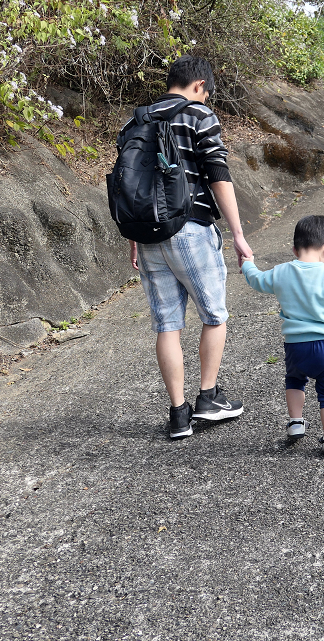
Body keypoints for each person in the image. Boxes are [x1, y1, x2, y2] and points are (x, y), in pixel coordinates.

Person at [125, 55, 253, 439]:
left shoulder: (138, 120)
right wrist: (238, 233)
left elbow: (134, 185)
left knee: (167, 325)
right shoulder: (198, 115)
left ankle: (178, 416)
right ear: (200, 85)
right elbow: (218, 172)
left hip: (149, 234)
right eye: (207, 94)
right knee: (214, 315)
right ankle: (209, 398)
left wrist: (135, 238)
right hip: (191, 229)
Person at [241, 215, 324, 458]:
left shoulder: (281, 272)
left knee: (295, 380)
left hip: (295, 347)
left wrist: (247, 263)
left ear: (295, 249)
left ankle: (296, 422)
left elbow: (257, 280)